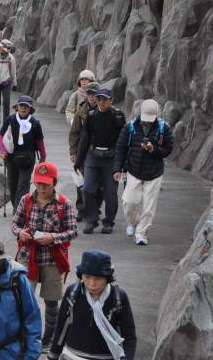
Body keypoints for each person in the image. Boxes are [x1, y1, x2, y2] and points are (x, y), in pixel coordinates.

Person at [12, 161, 78, 352]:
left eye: (45, 184)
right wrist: (20, 233)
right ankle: (22, 337)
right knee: (22, 298)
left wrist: (53, 238)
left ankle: (48, 340)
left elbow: (73, 231)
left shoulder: (64, 204)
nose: (41, 188)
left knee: (51, 302)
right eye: (38, 183)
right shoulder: (26, 200)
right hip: (27, 255)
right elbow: (14, 225)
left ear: (54, 183)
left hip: (52, 259)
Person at [113, 99, 173, 246]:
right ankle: (133, 222)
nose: (147, 122)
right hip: (134, 170)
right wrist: (117, 168)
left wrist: (153, 149)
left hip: (154, 173)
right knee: (128, 201)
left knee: (149, 207)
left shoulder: (163, 128)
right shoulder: (131, 126)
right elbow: (121, 147)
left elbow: (168, 149)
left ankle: (141, 233)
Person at [75, 88, 126, 235]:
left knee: (110, 193)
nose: (101, 102)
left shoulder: (118, 116)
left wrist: (122, 163)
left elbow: (123, 141)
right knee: (87, 189)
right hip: (93, 156)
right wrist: (78, 160)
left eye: (105, 99)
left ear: (111, 100)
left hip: (111, 158)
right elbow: (84, 138)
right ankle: (91, 219)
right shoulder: (91, 115)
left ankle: (108, 222)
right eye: (99, 99)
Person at [0, 95, 46, 209]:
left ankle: (19, 210)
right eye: (21, 106)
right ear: (17, 107)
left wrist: (43, 157)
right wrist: (2, 150)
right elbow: (1, 135)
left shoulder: (35, 123)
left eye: (26, 106)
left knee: (23, 185)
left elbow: (40, 141)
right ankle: (16, 206)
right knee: (12, 185)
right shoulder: (10, 120)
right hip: (11, 157)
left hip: (28, 157)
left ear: (30, 109)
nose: (23, 109)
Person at [68, 81, 101, 223]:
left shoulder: (104, 109)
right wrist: (73, 151)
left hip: (99, 151)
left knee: (98, 184)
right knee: (80, 182)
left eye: (94, 94)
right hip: (83, 151)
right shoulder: (81, 110)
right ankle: (81, 209)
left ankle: (95, 208)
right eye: (89, 94)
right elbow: (74, 132)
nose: (91, 97)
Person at [0, 40, 17, 129]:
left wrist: (14, 83)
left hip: (6, 82)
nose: (3, 50)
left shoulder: (11, 58)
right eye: (2, 48)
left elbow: (13, 72)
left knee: (6, 102)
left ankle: (6, 122)